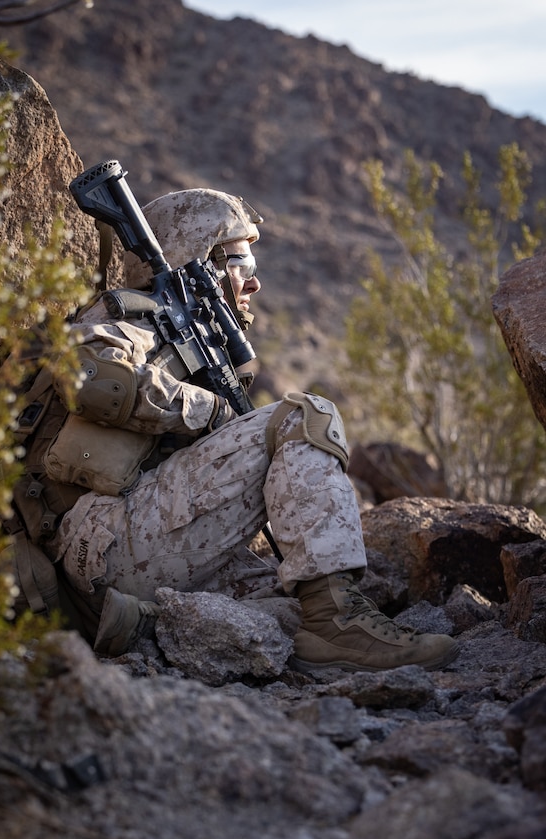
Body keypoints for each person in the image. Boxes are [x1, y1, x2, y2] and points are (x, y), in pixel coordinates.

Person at [43, 187, 459, 672]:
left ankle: (146, 624)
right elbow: (86, 373)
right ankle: (339, 623)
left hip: (127, 560)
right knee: (306, 414)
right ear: (201, 264)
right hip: (104, 543)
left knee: (289, 607)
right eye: (243, 263)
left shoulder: (191, 342)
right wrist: (210, 411)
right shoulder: (133, 317)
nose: (255, 283)